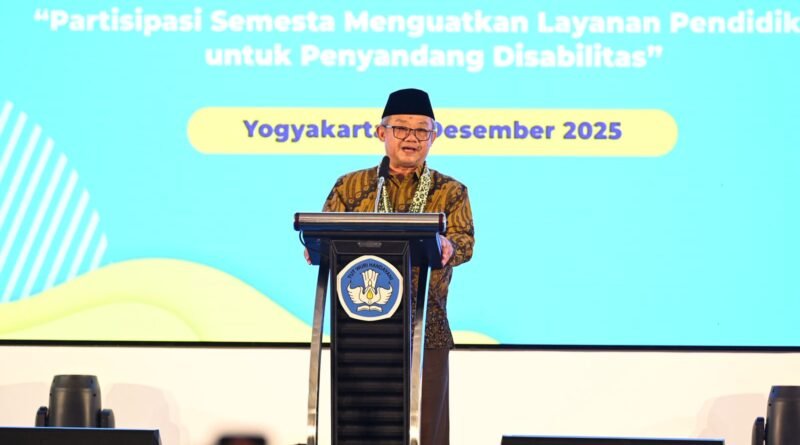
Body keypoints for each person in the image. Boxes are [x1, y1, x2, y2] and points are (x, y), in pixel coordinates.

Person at [312, 88, 475, 445]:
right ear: (381, 132)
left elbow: (464, 243)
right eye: (401, 128)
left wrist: (448, 246)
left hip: (425, 327)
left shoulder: (450, 191)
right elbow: (324, 238)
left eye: (421, 130)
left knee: (425, 430)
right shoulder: (351, 186)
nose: (411, 138)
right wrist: (317, 249)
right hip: (361, 328)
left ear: (434, 136)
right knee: (361, 429)